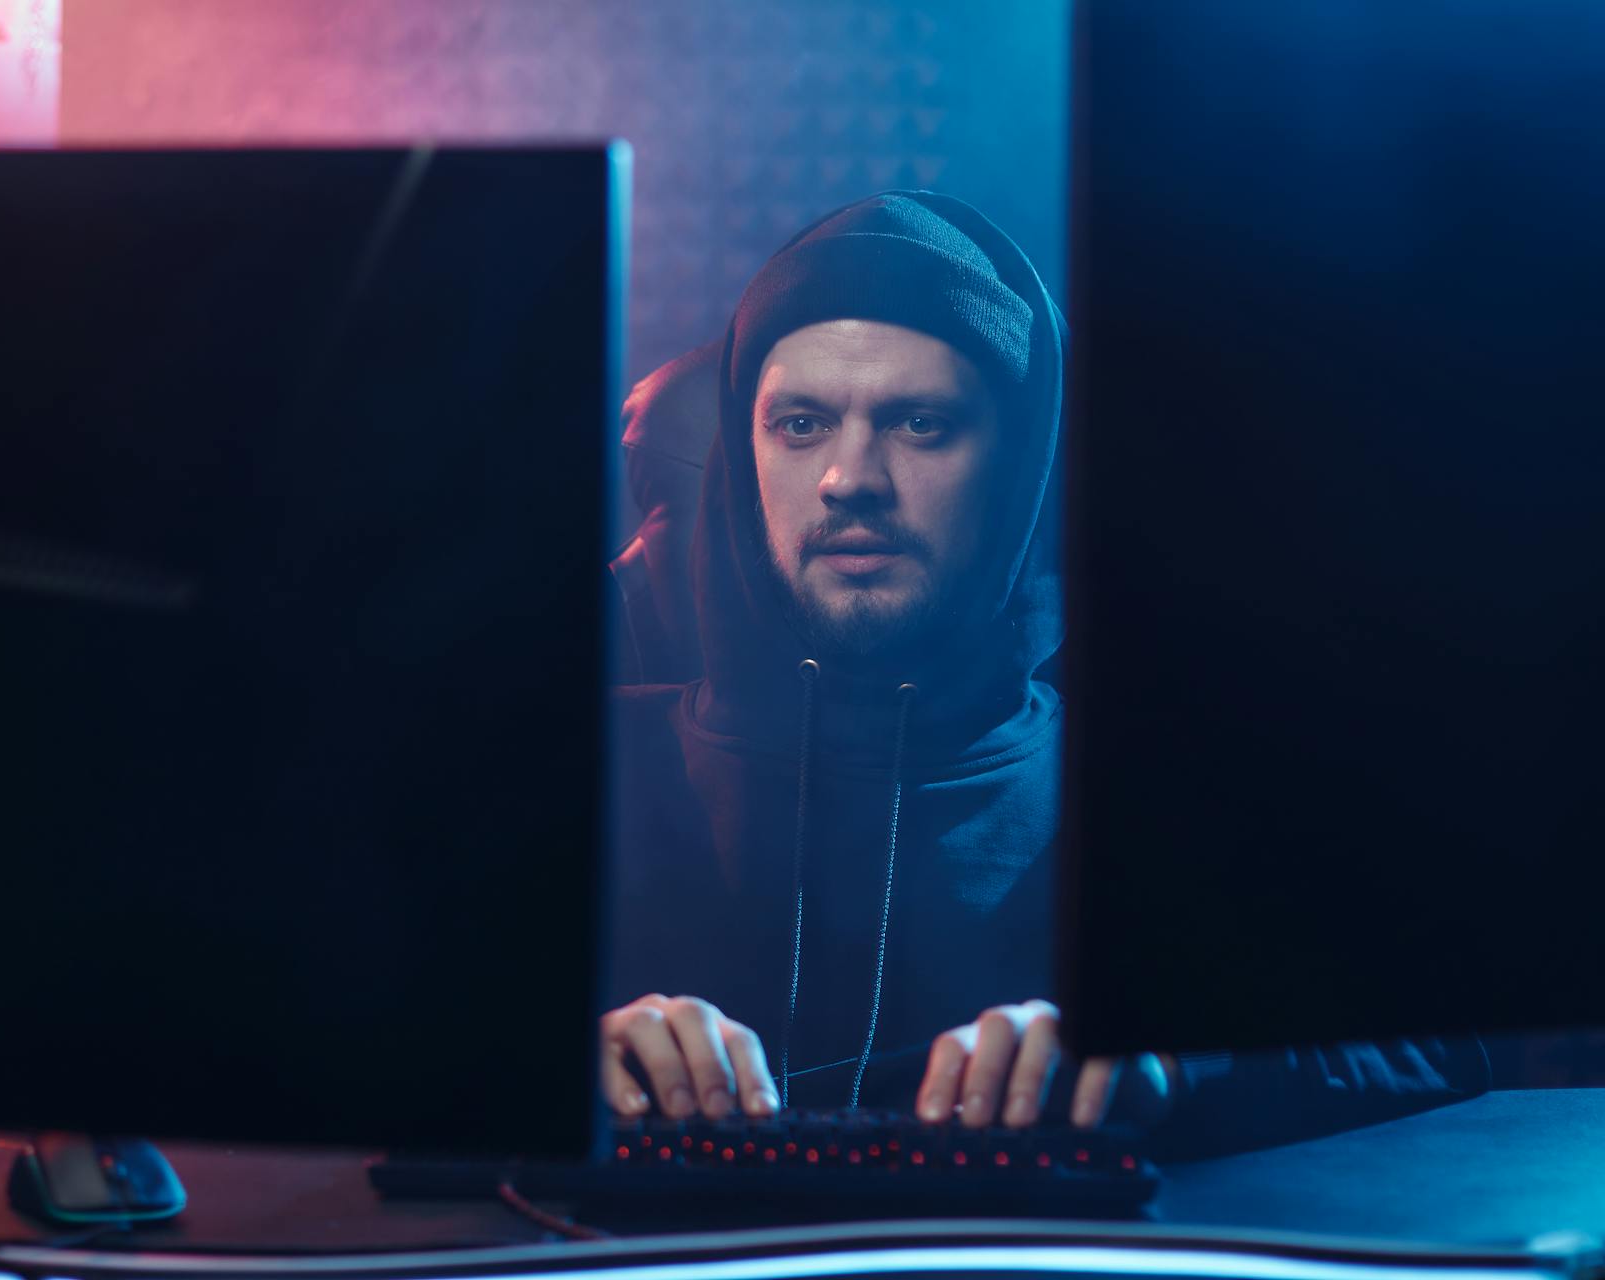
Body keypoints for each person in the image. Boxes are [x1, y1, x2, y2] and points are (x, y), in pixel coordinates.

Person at [603, 191, 1488, 1157]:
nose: (849, 477)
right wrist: (559, 1059)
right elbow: (414, 1035)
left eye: (923, 425)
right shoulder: (571, 764)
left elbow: (1428, 1043)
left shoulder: (1166, 786)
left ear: (1022, 469)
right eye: (803, 424)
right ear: (744, 454)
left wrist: (1168, 1057)